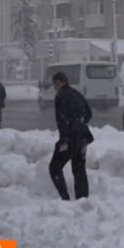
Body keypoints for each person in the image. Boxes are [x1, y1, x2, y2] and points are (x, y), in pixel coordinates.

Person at [50, 71, 93, 200]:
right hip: (82, 137)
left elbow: (62, 121)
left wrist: (64, 140)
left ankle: (65, 198)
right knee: (79, 170)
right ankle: (83, 200)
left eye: (55, 83)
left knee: (54, 167)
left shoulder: (61, 96)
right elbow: (89, 114)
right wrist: (79, 123)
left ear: (60, 82)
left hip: (70, 138)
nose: (54, 87)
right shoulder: (77, 94)